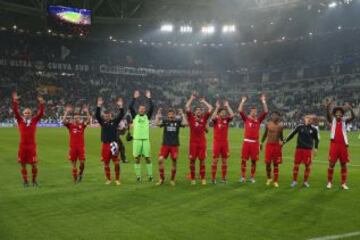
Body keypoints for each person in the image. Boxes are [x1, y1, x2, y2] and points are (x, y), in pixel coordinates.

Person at [12, 91, 45, 187]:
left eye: (28, 112)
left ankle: (34, 181)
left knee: (34, 164)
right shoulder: (20, 120)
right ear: (23, 114)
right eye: (25, 113)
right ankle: (25, 181)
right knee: (23, 164)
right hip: (22, 146)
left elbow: (41, 113)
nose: (27, 114)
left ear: (31, 114)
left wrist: (41, 103)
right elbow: (15, 111)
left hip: (31, 147)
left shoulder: (34, 120)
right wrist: (15, 101)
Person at [238, 94, 268, 183]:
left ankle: (252, 177)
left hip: (255, 143)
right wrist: (243, 101)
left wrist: (263, 101)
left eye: (256, 111)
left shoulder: (258, 120)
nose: (254, 113)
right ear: (250, 112)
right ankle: (243, 177)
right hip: (246, 142)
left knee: (254, 161)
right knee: (243, 160)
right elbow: (240, 110)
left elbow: (266, 111)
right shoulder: (246, 119)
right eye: (253, 111)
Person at [283, 115, 319, 188]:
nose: (309, 120)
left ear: (312, 121)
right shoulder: (300, 127)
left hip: (308, 150)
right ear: (304, 119)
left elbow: (317, 139)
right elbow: (292, 134)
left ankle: (305, 181)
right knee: (296, 165)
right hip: (299, 149)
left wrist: (316, 148)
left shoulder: (314, 129)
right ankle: (294, 181)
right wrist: (284, 141)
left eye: (310, 119)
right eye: (307, 118)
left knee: (307, 166)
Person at [326, 101, 355, 190]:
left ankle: (343, 183)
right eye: (337, 113)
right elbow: (328, 116)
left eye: (340, 113)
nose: (338, 114)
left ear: (342, 114)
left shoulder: (344, 121)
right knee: (332, 164)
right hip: (334, 145)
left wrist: (351, 109)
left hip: (343, 145)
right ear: (335, 114)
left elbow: (353, 117)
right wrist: (328, 108)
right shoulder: (333, 120)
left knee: (343, 164)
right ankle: (329, 182)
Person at [185, 92, 213, 185]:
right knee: (192, 161)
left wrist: (204, 101)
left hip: (202, 143)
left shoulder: (204, 119)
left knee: (202, 161)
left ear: (201, 112)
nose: (198, 111)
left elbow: (210, 108)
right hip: (193, 143)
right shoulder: (191, 118)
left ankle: (203, 178)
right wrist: (191, 98)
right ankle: (193, 178)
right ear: (194, 112)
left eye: (199, 110)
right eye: (196, 110)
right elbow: (187, 107)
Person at [95, 97, 124, 185]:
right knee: (106, 163)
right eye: (105, 115)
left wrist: (121, 106)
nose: (107, 117)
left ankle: (117, 179)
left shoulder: (114, 122)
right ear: (104, 116)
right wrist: (99, 105)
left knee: (116, 163)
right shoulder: (102, 122)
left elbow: (121, 115)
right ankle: (108, 179)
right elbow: (97, 115)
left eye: (108, 115)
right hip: (105, 145)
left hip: (114, 144)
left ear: (111, 115)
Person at [155, 108, 187, 186]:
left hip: (174, 145)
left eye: (172, 114)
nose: (171, 115)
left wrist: (182, 114)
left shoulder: (178, 121)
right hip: (165, 145)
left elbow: (185, 123)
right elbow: (157, 124)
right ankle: (161, 178)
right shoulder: (165, 121)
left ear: (174, 115)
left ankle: (172, 179)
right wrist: (158, 115)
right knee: (160, 160)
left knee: (174, 161)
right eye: (169, 114)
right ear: (168, 115)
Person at [129, 90, 154, 182]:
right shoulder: (135, 116)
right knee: (137, 158)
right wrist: (134, 98)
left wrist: (149, 98)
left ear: (145, 110)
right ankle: (138, 176)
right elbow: (130, 107)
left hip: (145, 140)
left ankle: (150, 176)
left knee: (148, 158)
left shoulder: (147, 116)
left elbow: (152, 107)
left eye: (143, 109)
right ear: (138, 110)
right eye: (141, 109)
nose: (142, 110)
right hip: (136, 140)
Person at [62, 105, 91, 183]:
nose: (76, 119)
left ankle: (80, 174)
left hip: (81, 148)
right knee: (74, 164)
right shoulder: (70, 126)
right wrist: (67, 112)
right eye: (75, 118)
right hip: (73, 148)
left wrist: (87, 111)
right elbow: (63, 121)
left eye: (78, 118)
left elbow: (88, 120)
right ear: (73, 119)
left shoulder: (82, 125)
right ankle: (75, 180)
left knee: (82, 163)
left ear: (80, 118)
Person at [210, 100, 234, 184]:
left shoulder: (227, 120)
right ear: (219, 113)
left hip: (225, 143)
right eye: (222, 112)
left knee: (224, 161)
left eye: (225, 112)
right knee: (215, 161)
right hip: (217, 143)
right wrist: (216, 108)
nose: (224, 114)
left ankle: (223, 178)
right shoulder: (216, 119)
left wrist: (228, 106)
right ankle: (213, 178)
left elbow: (232, 115)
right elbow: (212, 117)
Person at [260, 111, 284, 187]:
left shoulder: (280, 126)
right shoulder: (268, 124)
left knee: (276, 164)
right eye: (273, 115)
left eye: (276, 116)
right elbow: (265, 134)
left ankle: (275, 181)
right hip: (269, 146)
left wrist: (282, 142)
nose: (274, 117)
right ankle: (269, 178)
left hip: (276, 146)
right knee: (267, 163)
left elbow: (281, 137)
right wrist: (261, 142)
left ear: (278, 117)